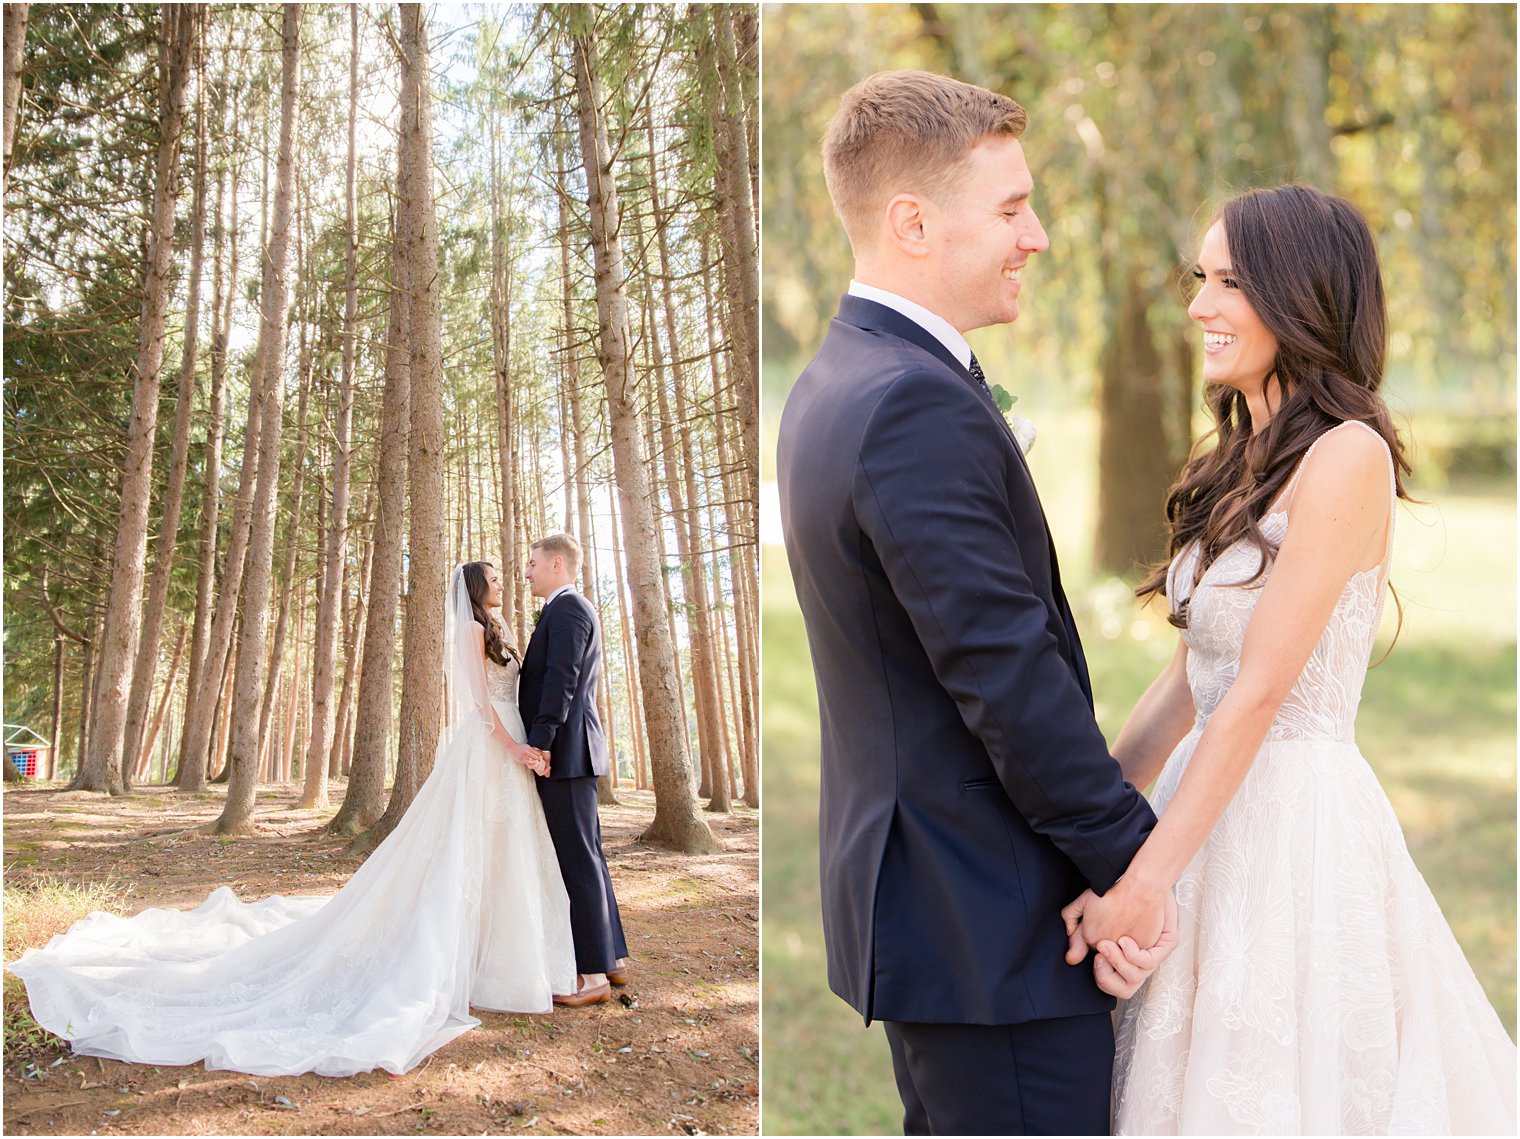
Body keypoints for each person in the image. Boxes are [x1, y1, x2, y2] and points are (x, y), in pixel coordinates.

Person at [1060, 184, 1517, 1133]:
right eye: (1200, 277)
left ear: (1298, 295)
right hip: (1203, 801)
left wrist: (1143, 882)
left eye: (1228, 281)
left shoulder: (1349, 455)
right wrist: (1083, 834)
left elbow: (1262, 690)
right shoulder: (1238, 457)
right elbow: (1192, 678)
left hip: (1291, 826)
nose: (1198, 306)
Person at [776, 70, 1175, 1136]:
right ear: (911, 222)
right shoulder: (909, 402)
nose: (1035, 235)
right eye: (1008, 208)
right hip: (987, 919)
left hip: (944, 907)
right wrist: (1135, 870)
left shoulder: (842, 377)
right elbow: (1004, 675)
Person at [8, 561, 575, 1077]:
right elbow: (478, 705)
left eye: (509, 574)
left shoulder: (498, 628)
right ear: (476, 589)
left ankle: (500, 957)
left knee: (507, 850)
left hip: (512, 746)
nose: (505, 580)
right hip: (490, 747)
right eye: (496, 577)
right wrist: (514, 748)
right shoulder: (471, 630)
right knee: (465, 849)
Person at [520, 533, 630, 1008]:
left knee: (578, 860)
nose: (527, 572)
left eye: (533, 563)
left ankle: (591, 977)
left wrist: (541, 742)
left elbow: (561, 679)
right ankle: (611, 958)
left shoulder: (567, 609)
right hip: (574, 750)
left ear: (557, 564)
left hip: (565, 752)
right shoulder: (571, 608)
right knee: (589, 855)